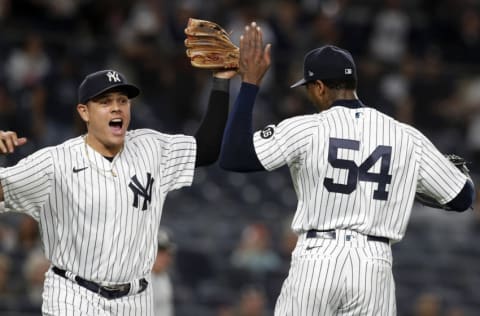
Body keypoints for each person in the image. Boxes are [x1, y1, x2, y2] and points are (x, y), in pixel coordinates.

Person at [219, 22, 475, 315]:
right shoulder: (405, 136)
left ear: (319, 87)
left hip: (318, 258)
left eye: (309, 89)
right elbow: (462, 198)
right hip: (374, 265)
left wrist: (249, 84)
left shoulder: (307, 128)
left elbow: (233, 157)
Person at [0, 67, 236, 315]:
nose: (116, 108)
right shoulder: (54, 163)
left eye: (122, 101)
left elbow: (207, 149)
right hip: (74, 295)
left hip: (136, 300)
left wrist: (221, 81)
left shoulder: (151, 147)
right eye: (105, 102)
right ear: (84, 112)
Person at [152, 228, 175, 316]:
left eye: (167, 253)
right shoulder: (136, 280)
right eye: (159, 252)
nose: (164, 257)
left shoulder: (164, 277)